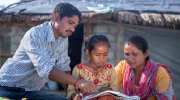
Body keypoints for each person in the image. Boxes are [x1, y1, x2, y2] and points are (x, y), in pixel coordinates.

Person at [0, 3, 98, 100]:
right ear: (56, 17)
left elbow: (63, 67)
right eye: (70, 23)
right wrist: (78, 81)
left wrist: (72, 95)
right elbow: (46, 70)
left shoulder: (63, 39)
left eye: (75, 26)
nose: (72, 29)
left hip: (30, 92)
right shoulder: (35, 34)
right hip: (6, 87)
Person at [115, 35, 175, 100]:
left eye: (134, 54)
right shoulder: (122, 66)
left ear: (146, 53)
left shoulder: (160, 73)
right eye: (127, 54)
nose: (129, 59)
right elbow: (110, 84)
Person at [67, 34, 118, 100]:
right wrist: (75, 96)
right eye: (97, 55)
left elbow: (115, 89)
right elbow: (71, 90)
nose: (101, 58)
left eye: (105, 55)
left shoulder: (110, 68)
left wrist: (109, 89)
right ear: (88, 52)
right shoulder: (79, 69)